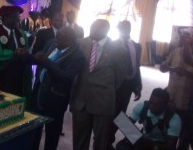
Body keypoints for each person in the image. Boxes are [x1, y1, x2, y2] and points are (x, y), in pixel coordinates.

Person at [70, 19, 129, 150]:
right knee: (79, 139)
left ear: (105, 31)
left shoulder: (118, 49)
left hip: (103, 103)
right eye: (91, 26)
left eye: (95, 28)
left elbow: (119, 77)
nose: (91, 30)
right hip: (81, 101)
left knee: (100, 141)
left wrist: (104, 89)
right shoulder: (80, 43)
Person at [30, 26, 85, 150]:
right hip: (38, 94)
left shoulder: (77, 56)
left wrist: (47, 62)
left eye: (59, 38)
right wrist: (27, 56)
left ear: (69, 40)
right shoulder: (52, 44)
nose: (56, 40)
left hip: (55, 100)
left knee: (52, 134)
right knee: (34, 131)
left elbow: (66, 77)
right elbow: (39, 60)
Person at [0, 5, 31, 98]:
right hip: (2, 74)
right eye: (15, 17)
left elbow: (26, 52)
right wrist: (14, 54)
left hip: (19, 76)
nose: (18, 20)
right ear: (5, 18)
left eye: (18, 17)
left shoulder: (22, 33)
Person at [109, 20, 143, 147]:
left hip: (128, 85)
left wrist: (138, 86)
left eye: (127, 27)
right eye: (123, 27)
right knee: (111, 112)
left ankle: (112, 138)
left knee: (121, 112)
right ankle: (107, 139)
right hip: (115, 84)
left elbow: (136, 66)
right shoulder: (112, 45)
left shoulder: (136, 46)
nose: (125, 30)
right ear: (118, 29)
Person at [116, 88, 181, 150]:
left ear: (165, 106)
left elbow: (171, 146)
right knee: (121, 146)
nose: (151, 106)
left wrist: (153, 147)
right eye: (150, 102)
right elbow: (126, 126)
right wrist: (137, 139)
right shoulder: (142, 107)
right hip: (142, 140)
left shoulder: (174, 119)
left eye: (156, 105)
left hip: (159, 146)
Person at [160, 31, 193, 150]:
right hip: (171, 98)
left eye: (188, 36)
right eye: (184, 36)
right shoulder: (176, 51)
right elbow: (163, 67)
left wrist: (187, 73)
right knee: (166, 129)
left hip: (187, 104)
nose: (186, 38)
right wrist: (164, 67)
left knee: (185, 134)